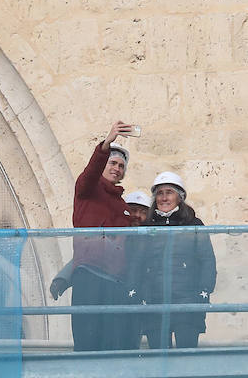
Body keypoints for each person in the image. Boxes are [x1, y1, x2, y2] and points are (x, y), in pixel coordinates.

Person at [70, 121, 140, 351]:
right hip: (89, 274)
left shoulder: (122, 205)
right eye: (112, 162)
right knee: (87, 340)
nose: (117, 168)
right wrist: (106, 144)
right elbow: (89, 174)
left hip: (114, 279)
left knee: (110, 342)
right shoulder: (87, 190)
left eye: (121, 165)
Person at [134, 171, 216, 349]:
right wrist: (138, 292)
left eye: (169, 192)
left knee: (186, 358)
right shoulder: (147, 226)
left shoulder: (194, 224)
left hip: (187, 300)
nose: (164, 198)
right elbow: (137, 263)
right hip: (154, 301)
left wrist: (203, 291)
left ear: (180, 197)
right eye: (160, 194)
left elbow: (207, 260)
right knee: (158, 356)